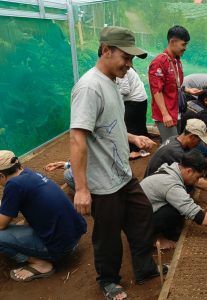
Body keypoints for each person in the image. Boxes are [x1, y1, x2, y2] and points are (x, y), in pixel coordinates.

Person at [70, 26, 167, 300]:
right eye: (126, 57)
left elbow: (107, 126)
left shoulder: (112, 82)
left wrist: (133, 137)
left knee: (141, 215)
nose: (129, 64)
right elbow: (78, 137)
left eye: (132, 59)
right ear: (106, 51)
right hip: (102, 182)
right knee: (108, 235)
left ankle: (145, 268)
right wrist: (81, 188)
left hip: (122, 174)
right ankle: (108, 281)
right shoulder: (89, 87)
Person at [0, 150, 87, 282]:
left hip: (61, 248)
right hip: (74, 236)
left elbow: (1, 224)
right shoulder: (30, 173)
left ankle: (41, 264)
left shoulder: (13, 185)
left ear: (1, 175)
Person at [140, 149, 207, 249]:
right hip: (138, 225)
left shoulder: (175, 168)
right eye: (198, 177)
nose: (197, 180)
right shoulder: (172, 186)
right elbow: (202, 219)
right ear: (189, 171)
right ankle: (153, 238)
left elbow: (198, 182)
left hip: (140, 212)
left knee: (182, 202)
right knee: (176, 211)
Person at [144, 118, 207, 200]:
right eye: (199, 140)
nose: (199, 144)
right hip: (153, 191)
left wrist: (202, 161)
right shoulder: (176, 152)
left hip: (155, 182)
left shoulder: (174, 139)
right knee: (191, 181)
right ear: (191, 136)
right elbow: (197, 182)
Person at [148, 25, 202, 143]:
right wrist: (165, 114)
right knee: (173, 145)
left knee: (172, 144)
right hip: (166, 114)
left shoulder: (177, 60)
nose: (185, 48)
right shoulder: (159, 63)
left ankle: (168, 161)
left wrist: (187, 90)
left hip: (176, 111)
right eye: (183, 44)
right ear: (173, 42)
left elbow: (173, 85)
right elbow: (156, 90)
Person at [181, 86, 207, 159]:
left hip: (178, 135)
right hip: (187, 141)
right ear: (206, 100)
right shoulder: (205, 115)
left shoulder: (190, 101)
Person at [116, 67, 150, 160]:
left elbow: (125, 90)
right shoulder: (127, 68)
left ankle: (135, 151)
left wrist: (113, 92)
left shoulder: (120, 70)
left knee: (129, 125)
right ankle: (145, 146)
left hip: (134, 100)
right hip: (141, 98)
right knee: (140, 124)